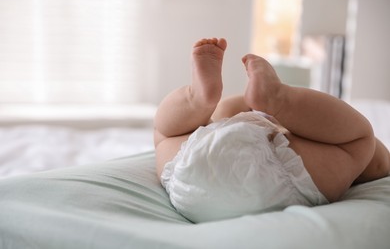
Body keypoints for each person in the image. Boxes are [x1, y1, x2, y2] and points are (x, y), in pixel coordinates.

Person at [153, 38, 390, 222]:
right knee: (359, 140)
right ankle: (279, 99)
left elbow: (229, 115)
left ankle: (198, 100)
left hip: (193, 187)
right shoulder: (294, 144)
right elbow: (380, 164)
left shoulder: (228, 119)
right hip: (284, 181)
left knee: (166, 135)